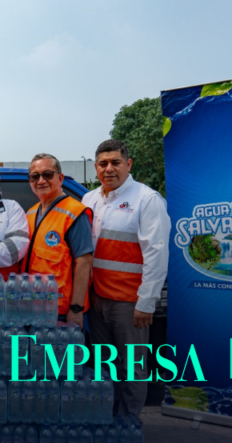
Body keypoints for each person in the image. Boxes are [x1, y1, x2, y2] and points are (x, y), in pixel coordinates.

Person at [82, 139, 169, 419]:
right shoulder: (90, 199)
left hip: (129, 305)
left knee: (131, 368)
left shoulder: (147, 199)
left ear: (128, 165)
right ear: (96, 168)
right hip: (97, 301)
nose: (109, 169)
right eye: (103, 164)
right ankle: (107, 419)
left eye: (115, 162)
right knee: (104, 365)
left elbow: (156, 253)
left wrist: (147, 301)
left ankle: (128, 425)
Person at [20, 153, 94, 328]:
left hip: (61, 314)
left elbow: (84, 262)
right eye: (34, 176)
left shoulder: (75, 213)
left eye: (47, 174)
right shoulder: (30, 214)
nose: (41, 181)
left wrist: (76, 309)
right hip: (33, 311)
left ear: (60, 178)